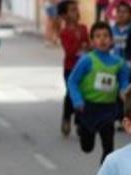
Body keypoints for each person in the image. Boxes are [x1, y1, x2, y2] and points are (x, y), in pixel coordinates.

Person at [67, 21, 131, 163]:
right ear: (92, 42)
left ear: (112, 40)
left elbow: (124, 80)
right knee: (87, 147)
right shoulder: (87, 60)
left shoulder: (119, 62)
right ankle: (82, 128)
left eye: (106, 36)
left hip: (108, 108)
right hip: (88, 107)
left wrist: (123, 91)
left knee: (109, 148)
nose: (102, 39)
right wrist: (77, 100)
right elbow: (72, 81)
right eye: (98, 36)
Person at [58, 0, 89, 137]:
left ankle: (79, 121)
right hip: (70, 68)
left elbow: (88, 45)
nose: (76, 12)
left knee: (82, 93)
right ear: (64, 15)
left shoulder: (83, 28)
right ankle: (66, 117)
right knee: (71, 94)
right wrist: (80, 45)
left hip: (84, 67)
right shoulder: (64, 32)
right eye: (72, 10)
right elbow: (69, 51)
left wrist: (86, 47)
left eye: (76, 9)